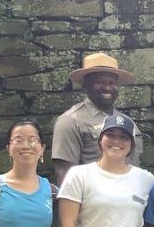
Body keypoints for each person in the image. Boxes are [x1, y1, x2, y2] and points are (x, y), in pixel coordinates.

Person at [52, 52, 143, 186]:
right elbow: (66, 179)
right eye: (99, 82)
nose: (107, 87)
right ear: (85, 85)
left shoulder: (128, 123)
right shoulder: (70, 121)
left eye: (112, 82)